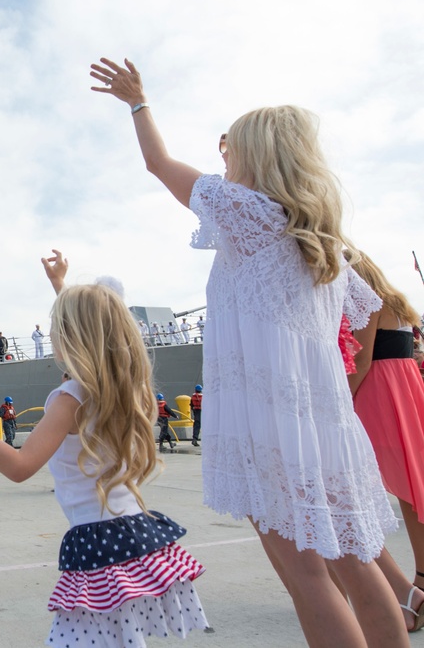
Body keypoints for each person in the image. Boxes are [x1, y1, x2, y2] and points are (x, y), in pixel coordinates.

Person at [91, 56, 404, 646]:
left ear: (257, 156)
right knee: (358, 567)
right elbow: (358, 326)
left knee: (306, 578)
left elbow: (158, 164)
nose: (223, 157)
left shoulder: (248, 214)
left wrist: (138, 102)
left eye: (231, 148)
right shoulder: (325, 244)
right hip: (325, 426)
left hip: (272, 428)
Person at [0, 251, 208, 646]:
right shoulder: (124, 390)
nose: (51, 334)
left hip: (97, 543)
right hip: (136, 531)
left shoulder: (69, 398)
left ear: (69, 339)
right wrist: (60, 287)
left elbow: (19, 466)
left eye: (55, 327)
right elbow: (97, 331)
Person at [346, 251, 424, 631]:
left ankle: (409, 592)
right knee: (412, 490)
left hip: (378, 395)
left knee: (356, 490)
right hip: (404, 391)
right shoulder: (396, 304)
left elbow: (360, 362)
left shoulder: (366, 301)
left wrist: (341, 402)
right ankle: (418, 583)